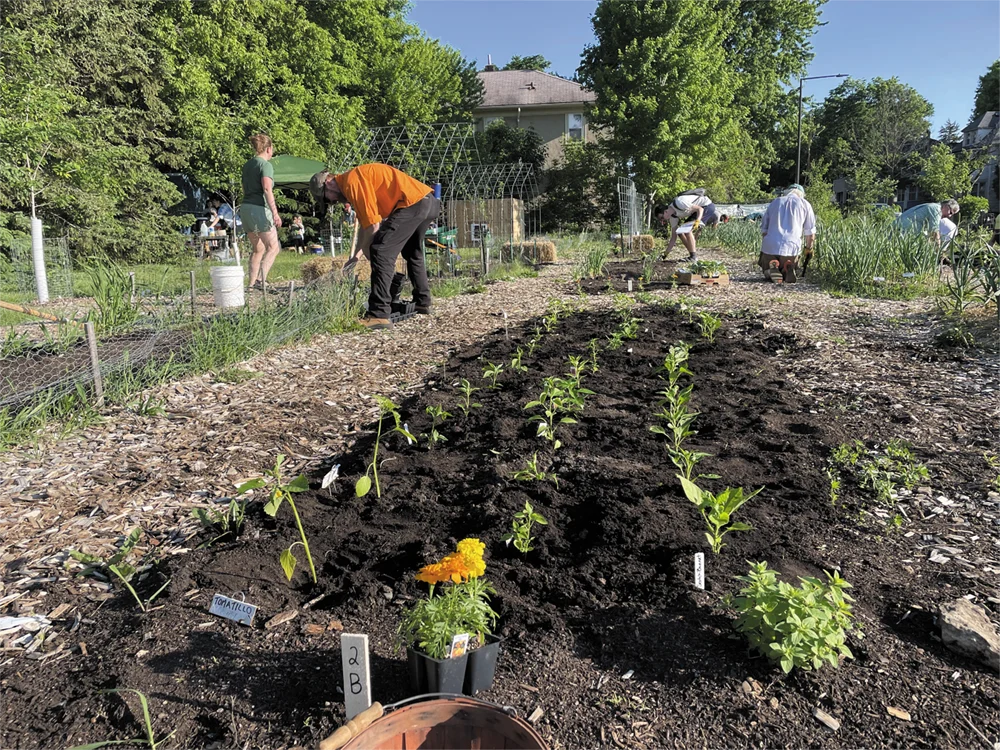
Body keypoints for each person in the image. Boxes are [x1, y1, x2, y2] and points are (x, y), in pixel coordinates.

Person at [310, 163, 438, 330]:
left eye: (327, 199)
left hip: (412, 203)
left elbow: (373, 227)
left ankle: (379, 314)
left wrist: (370, 252)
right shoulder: (354, 182)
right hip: (428, 201)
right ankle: (423, 302)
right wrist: (356, 256)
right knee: (412, 252)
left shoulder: (351, 182)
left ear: (328, 182)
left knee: (381, 251)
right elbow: (366, 226)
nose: (333, 202)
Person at [238, 133, 282, 290]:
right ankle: (261, 281)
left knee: (258, 249)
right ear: (268, 149)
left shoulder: (248, 165)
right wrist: (275, 214)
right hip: (259, 209)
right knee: (273, 247)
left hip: (245, 208)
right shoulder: (265, 165)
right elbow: (266, 188)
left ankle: (251, 285)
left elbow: (244, 187)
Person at [758, 183, 816, 283]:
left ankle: (771, 269)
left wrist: (766, 248)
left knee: (766, 268)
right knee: (791, 265)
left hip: (770, 246)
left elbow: (764, 230)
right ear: (801, 194)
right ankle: (786, 268)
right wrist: (809, 248)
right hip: (791, 247)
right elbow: (810, 233)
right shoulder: (805, 204)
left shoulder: (775, 202)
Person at [654, 189, 718, 261]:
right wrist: (665, 255)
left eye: (662, 218)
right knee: (680, 232)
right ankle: (692, 253)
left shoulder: (679, 203)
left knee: (687, 230)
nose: (662, 220)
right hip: (697, 211)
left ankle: (693, 256)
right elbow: (673, 238)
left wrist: (697, 221)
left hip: (706, 206)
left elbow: (700, 209)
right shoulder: (673, 217)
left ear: (665, 211)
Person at [894, 199, 959, 245]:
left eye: (952, 214)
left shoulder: (933, 207)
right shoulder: (936, 209)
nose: (949, 216)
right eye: (950, 212)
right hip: (901, 230)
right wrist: (938, 249)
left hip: (902, 230)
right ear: (946, 206)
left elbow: (928, 233)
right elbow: (934, 231)